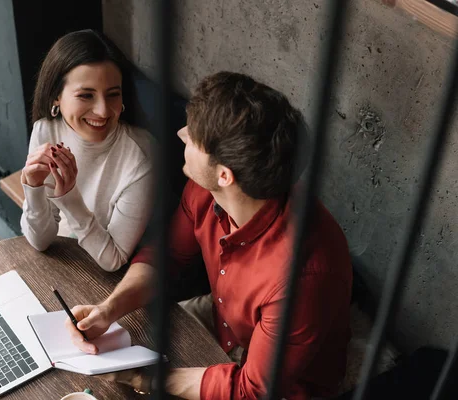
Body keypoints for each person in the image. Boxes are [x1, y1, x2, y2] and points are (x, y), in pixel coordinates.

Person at [64, 72, 353, 399]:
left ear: (225, 174)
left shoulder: (304, 276)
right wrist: (109, 309)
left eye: (194, 137)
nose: (181, 134)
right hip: (225, 329)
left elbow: (251, 390)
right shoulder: (207, 189)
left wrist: (144, 379)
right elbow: (167, 257)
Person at [20, 30, 154, 272]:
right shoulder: (45, 131)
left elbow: (113, 260)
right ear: (56, 98)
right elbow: (40, 241)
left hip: (112, 275)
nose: (103, 111)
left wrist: (69, 198)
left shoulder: (139, 159)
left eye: (113, 94)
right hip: (62, 255)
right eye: (86, 95)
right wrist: (33, 187)